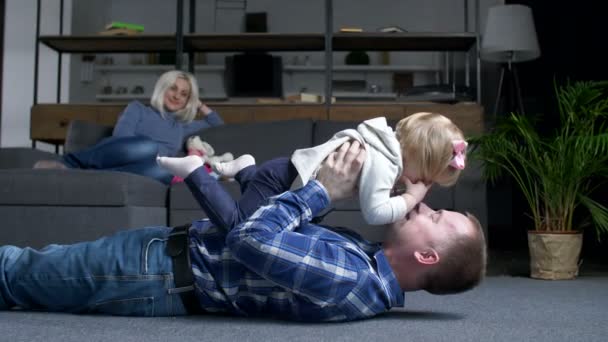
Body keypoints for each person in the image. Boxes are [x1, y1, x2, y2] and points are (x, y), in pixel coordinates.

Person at [0, 141, 487, 322]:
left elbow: (249, 239)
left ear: (427, 259)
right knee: (32, 266)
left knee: (16, 271)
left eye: (437, 219)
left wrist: (322, 190)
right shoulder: (362, 256)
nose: (426, 210)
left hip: (153, 274)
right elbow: (279, 224)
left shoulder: (351, 282)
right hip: (162, 256)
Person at [158, 113, 467, 228]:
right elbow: (375, 212)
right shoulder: (384, 164)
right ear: (417, 160)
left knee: (264, 206)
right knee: (238, 224)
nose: (421, 185)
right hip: (283, 180)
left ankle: (245, 169)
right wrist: (412, 197)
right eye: (425, 177)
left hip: (282, 175)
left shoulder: (382, 143)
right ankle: (195, 169)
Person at [33, 70, 224, 184]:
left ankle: (82, 176)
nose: (176, 96)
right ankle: (70, 162)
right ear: (162, 88)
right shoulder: (138, 109)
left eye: (184, 94)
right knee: (148, 146)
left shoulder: (182, 125)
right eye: (173, 88)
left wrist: (198, 104)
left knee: (167, 169)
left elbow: (217, 124)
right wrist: (149, 150)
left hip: (149, 168)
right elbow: (121, 136)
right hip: (126, 153)